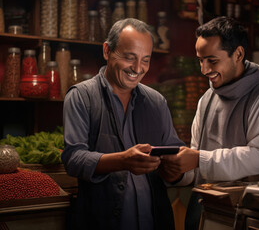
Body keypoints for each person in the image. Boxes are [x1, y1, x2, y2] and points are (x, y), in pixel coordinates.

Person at [159, 16, 259, 229]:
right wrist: (177, 173)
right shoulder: (206, 100)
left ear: (238, 54)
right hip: (205, 211)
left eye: (212, 60)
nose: (204, 70)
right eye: (200, 60)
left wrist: (199, 159)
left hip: (247, 215)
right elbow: (198, 166)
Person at [61, 18, 184, 230]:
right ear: (107, 51)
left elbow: (173, 153)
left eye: (145, 60)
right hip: (100, 221)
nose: (138, 68)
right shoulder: (81, 96)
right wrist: (122, 161)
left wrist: (177, 168)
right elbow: (74, 158)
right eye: (130, 57)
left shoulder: (157, 102)